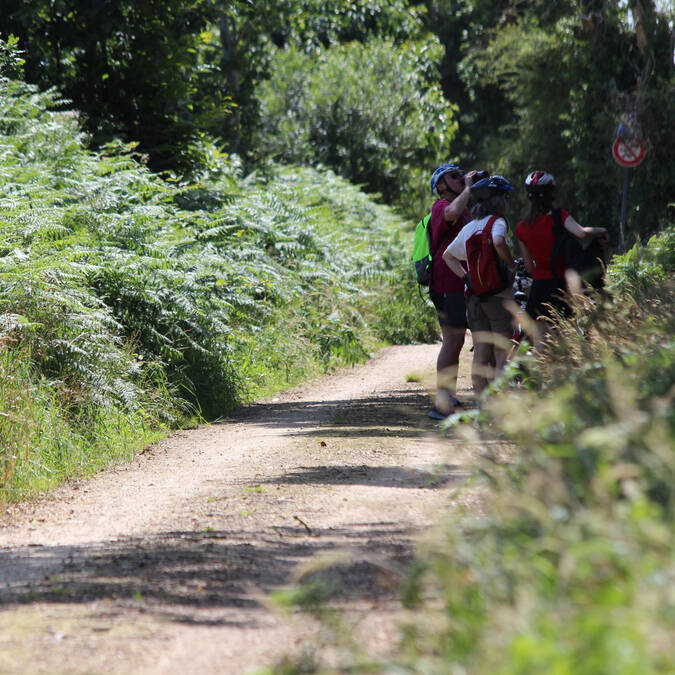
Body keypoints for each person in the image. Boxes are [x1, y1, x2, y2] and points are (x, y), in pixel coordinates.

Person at [514, 171, 609, 348]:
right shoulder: (559, 216)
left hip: (539, 288)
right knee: (563, 340)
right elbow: (581, 233)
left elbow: (529, 267)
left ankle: (537, 376)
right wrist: (601, 230)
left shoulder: (521, 228)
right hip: (560, 286)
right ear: (552, 193)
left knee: (541, 344)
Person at [442, 175, 517, 394]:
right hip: (498, 297)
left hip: (474, 297)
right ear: (499, 200)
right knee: (502, 351)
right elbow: (499, 241)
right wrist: (511, 264)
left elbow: (448, 256)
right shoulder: (498, 222)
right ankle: (502, 407)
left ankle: (482, 406)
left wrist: (467, 277)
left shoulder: (470, 227)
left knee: (481, 352)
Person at [427, 164, 479, 419]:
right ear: (441, 186)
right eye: (454, 177)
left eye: (461, 175)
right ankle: (441, 400)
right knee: (451, 340)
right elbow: (451, 212)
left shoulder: (466, 210)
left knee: (458, 341)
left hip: (463, 283)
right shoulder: (440, 207)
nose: (461, 179)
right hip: (447, 284)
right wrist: (469, 187)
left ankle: (448, 397)